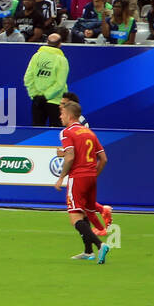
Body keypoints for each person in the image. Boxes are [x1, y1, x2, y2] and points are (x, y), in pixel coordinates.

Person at [53, 99, 111, 264]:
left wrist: (61, 177)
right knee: (84, 212)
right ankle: (88, 251)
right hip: (91, 176)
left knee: (75, 218)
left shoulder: (67, 132)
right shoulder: (89, 133)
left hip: (77, 177)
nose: (60, 117)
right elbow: (104, 159)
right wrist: (92, 175)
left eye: (62, 114)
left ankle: (100, 246)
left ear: (70, 115)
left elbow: (70, 156)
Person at [23, 32, 68, 127]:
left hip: (37, 100)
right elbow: (60, 83)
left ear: (47, 42)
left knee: (37, 131)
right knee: (56, 131)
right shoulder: (62, 60)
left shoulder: (36, 56)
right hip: (56, 101)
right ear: (60, 44)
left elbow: (28, 78)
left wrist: (35, 95)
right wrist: (46, 96)